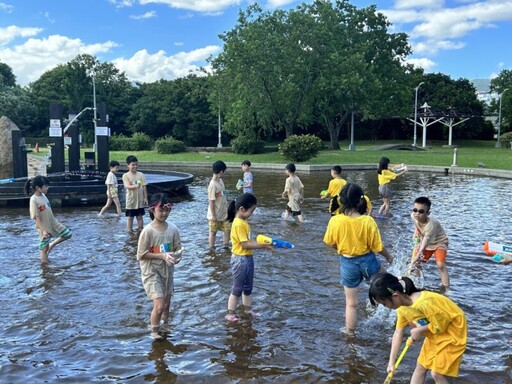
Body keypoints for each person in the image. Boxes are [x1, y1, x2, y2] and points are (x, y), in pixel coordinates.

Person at [369, 272, 467, 383]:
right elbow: (398, 332)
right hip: (435, 333)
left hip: (452, 333)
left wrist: (419, 330)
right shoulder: (402, 308)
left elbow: (441, 326)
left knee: (437, 373)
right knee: (421, 367)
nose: (386, 307)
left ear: (395, 296)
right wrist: (391, 362)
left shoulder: (425, 303)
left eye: (385, 304)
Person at [323, 183, 393, 334]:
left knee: (351, 304)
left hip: (347, 263)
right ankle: (391, 315)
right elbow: (378, 247)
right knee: (387, 283)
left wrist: (341, 249)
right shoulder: (367, 221)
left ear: (341, 200)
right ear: (361, 200)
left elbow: (330, 242)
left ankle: (350, 333)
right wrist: (389, 257)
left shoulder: (335, 221)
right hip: (368, 260)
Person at [137, 193, 182, 340]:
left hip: (167, 271)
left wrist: (176, 257)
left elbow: (177, 249)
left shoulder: (173, 229)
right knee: (159, 305)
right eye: (161, 210)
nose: (164, 213)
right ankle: (154, 332)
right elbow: (141, 255)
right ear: (152, 210)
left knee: (167, 304)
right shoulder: (148, 231)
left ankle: (165, 324)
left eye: (167, 210)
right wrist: (162, 255)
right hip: (151, 271)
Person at [225, 193, 272, 321]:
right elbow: (245, 244)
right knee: (237, 289)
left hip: (247, 259)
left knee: (248, 288)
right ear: (242, 209)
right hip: (239, 259)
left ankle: (247, 309)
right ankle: (230, 313)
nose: (252, 214)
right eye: (251, 211)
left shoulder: (243, 221)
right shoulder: (238, 224)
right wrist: (263, 245)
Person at [24, 175, 72, 263]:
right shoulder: (34, 199)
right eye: (46, 186)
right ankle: (45, 268)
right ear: (38, 188)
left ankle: (51, 245)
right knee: (44, 249)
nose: (47, 188)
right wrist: (43, 230)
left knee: (67, 234)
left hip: (53, 222)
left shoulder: (43, 196)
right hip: (44, 227)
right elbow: (36, 217)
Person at [409, 197, 450, 289]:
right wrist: (417, 233)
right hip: (425, 239)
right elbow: (417, 225)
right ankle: (417, 286)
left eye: (421, 211)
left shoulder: (431, 225)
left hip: (439, 242)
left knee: (440, 265)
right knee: (416, 265)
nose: (417, 213)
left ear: (428, 213)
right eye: (415, 210)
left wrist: (415, 258)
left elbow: (422, 247)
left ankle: (446, 289)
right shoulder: (413, 216)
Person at [207, 160, 230, 249]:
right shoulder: (212, 185)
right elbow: (211, 202)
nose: (224, 173)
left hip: (224, 212)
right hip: (215, 213)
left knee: (227, 229)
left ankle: (225, 247)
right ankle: (211, 249)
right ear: (221, 171)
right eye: (224, 171)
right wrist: (213, 216)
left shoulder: (220, 181)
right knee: (213, 232)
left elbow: (223, 195)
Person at [122, 155, 148, 232]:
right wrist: (136, 186)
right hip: (131, 200)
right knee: (130, 217)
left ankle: (140, 230)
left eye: (136, 164)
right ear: (128, 165)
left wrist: (145, 197)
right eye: (133, 165)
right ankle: (129, 231)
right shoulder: (125, 175)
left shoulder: (141, 175)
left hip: (140, 200)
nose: (135, 166)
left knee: (140, 216)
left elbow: (144, 187)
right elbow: (127, 186)